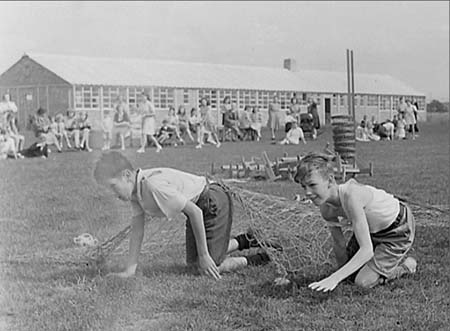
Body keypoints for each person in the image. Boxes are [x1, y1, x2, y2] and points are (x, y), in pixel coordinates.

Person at [93, 152, 273, 279]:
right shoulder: (136, 193)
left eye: (113, 186)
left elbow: (195, 212)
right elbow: (137, 231)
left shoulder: (153, 186)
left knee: (207, 266)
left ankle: (261, 257)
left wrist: (204, 255)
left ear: (126, 175)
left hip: (211, 201)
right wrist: (129, 270)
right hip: (200, 205)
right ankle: (248, 240)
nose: (113, 193)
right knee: (193, 265)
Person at [294, 152, 417, 291]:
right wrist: (342, 277)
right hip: (372, 232)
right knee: (351, 275)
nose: (308, 192)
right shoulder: (326, 209)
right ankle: (378, 264)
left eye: (312, 185)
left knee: (362, 282)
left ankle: (406, 267)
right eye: (304, 187)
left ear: (330, 180)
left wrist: (334, 278)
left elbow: (366, 250)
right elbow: (339, 243)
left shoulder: (352, 196)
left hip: (398, 230)